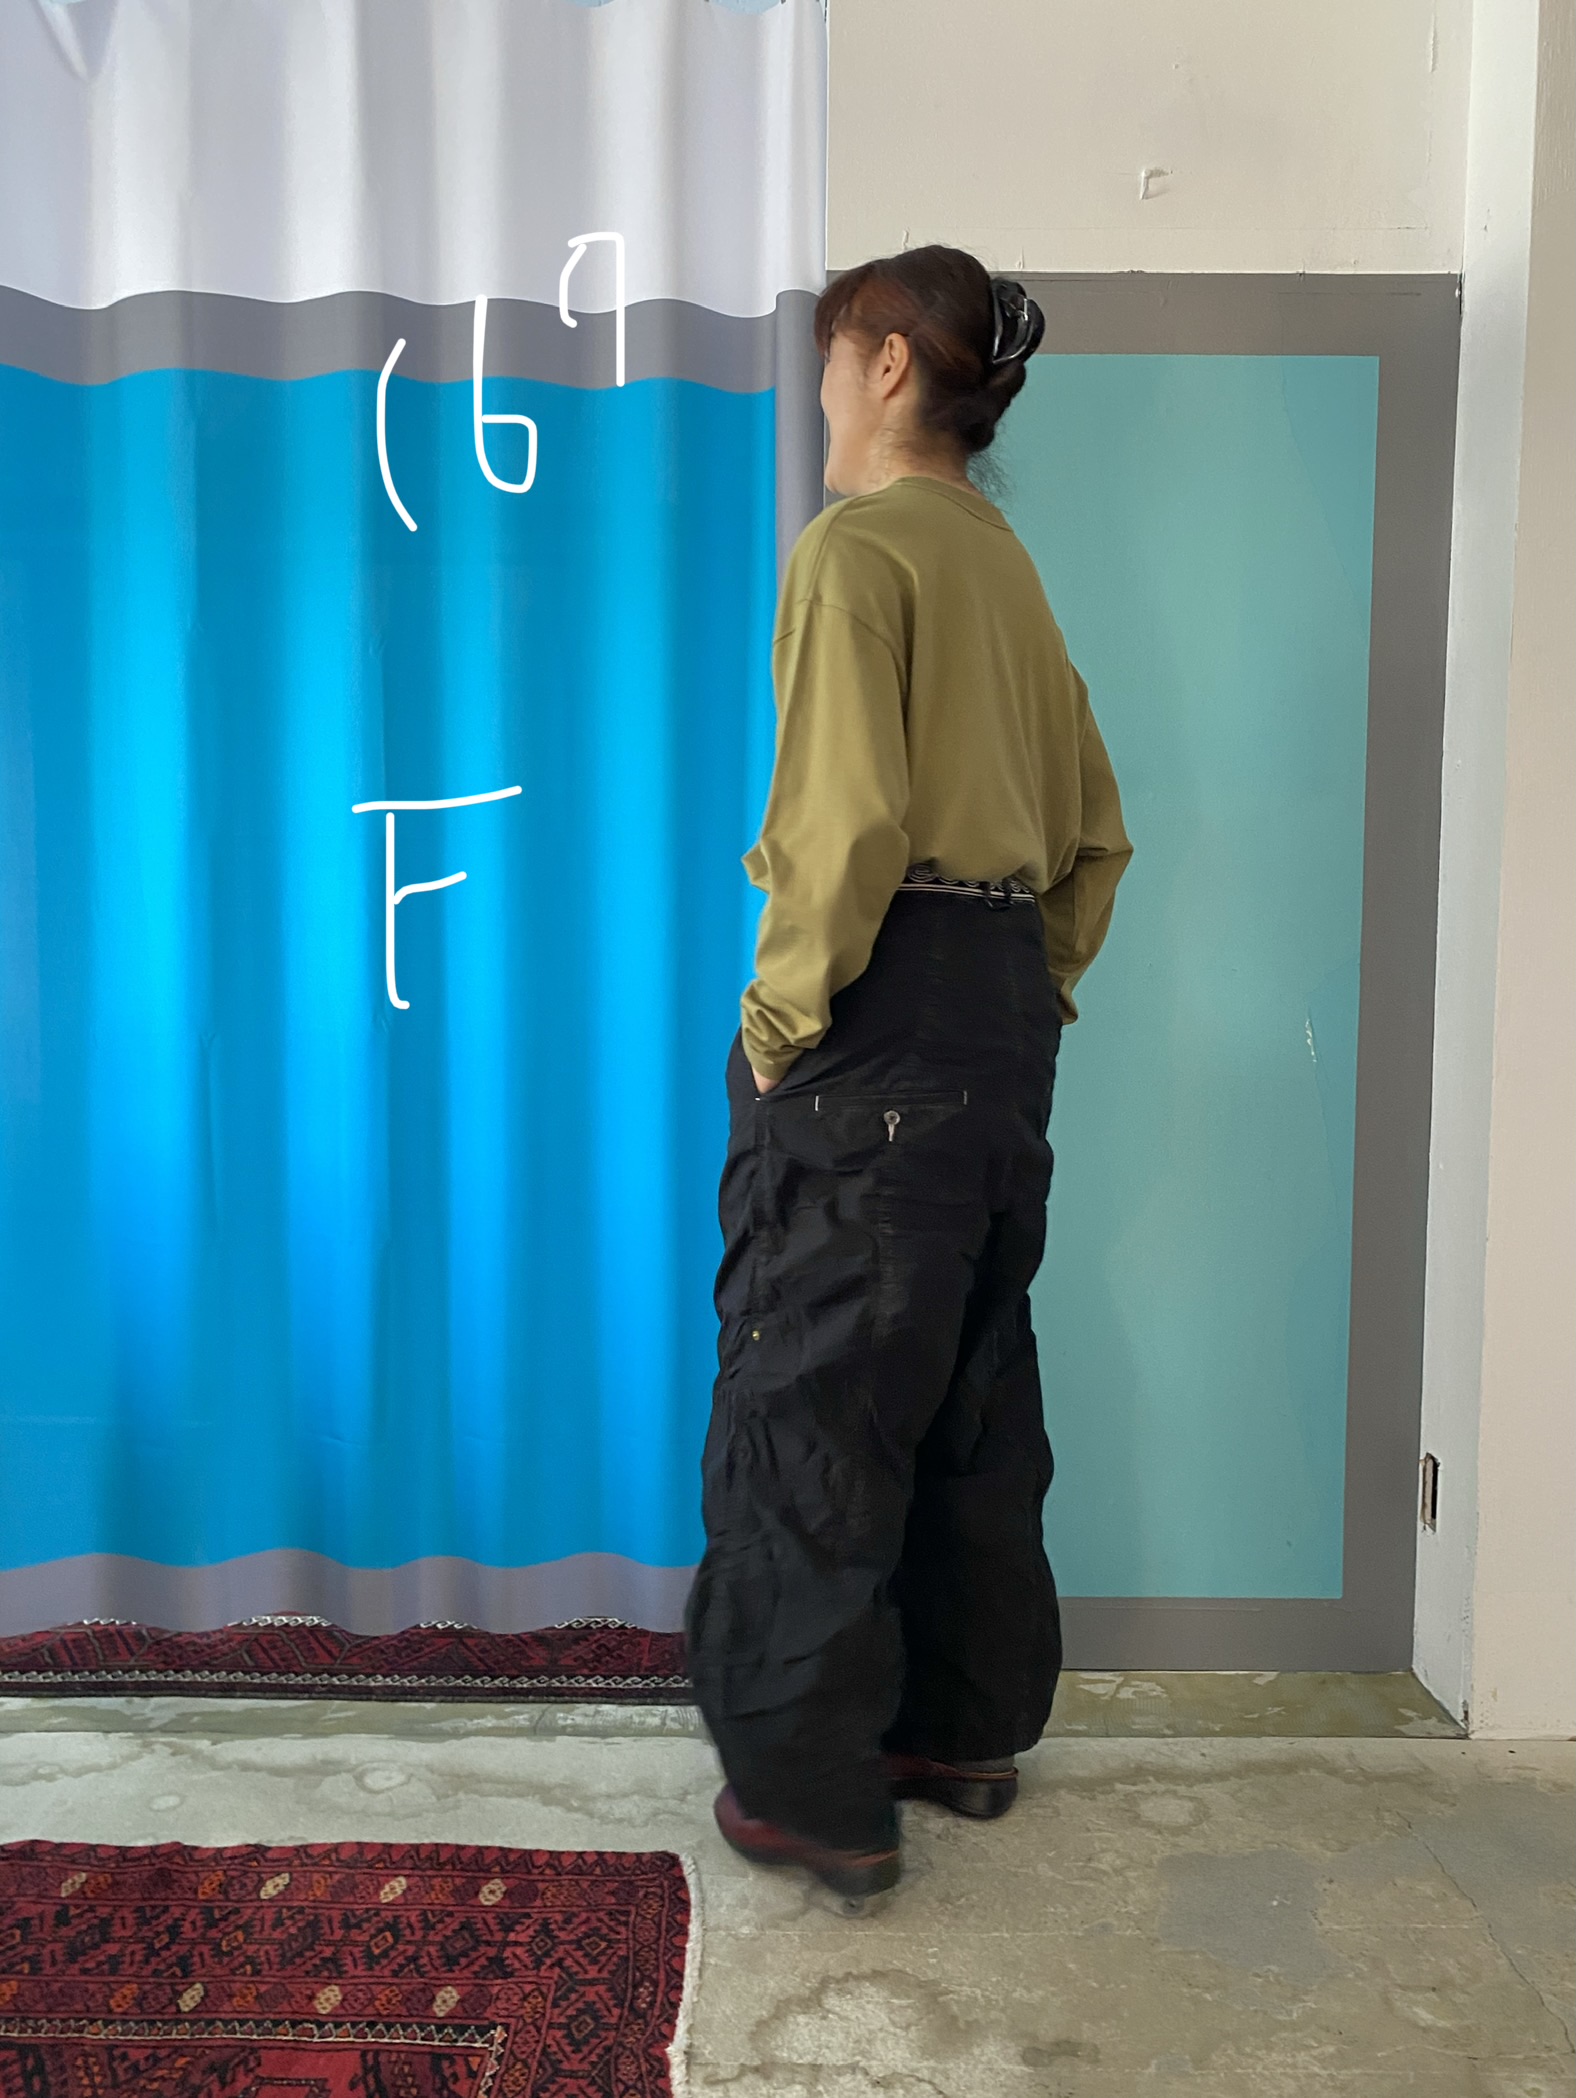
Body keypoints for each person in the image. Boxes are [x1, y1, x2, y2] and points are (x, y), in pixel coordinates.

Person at [684, 246, 1132, 1901]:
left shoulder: (856, 551)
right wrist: (1027, 992)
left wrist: (779, 1023)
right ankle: (958, 1732)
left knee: (813, 1378)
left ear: (885, 365)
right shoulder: (1006, 569)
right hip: (999, 1012)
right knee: (965, 1376)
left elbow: (848, 830)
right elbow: (1097, 834)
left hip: (878, 1001)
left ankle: (815, 1790)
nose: (817, 392)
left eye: (830, 358)